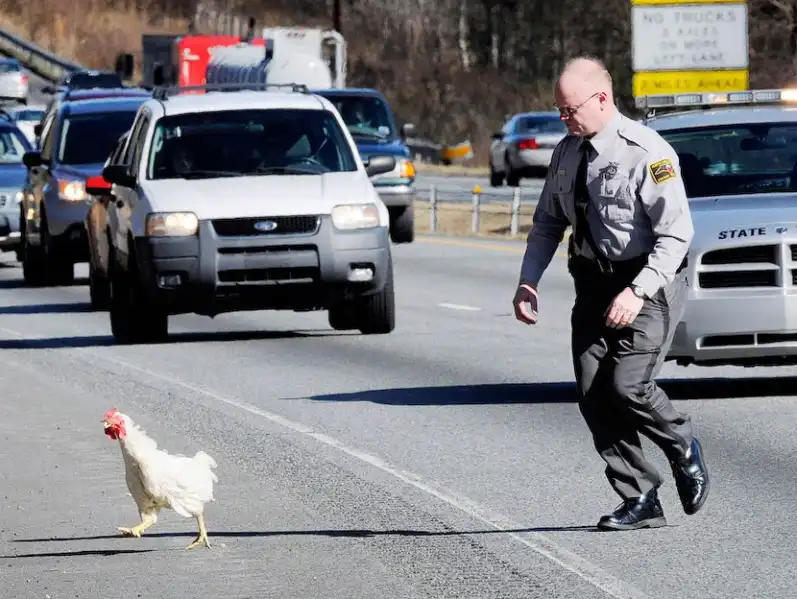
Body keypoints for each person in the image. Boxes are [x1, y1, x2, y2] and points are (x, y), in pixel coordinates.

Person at [512, 56, 709, 531]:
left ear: (601, 98)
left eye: (570, 109)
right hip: (592, 283)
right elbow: (547, 224)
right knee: (593, 391)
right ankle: (640, 496)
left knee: (627, 385)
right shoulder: (566, 153)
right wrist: (527, 281)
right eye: (560, 110)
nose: (564, 118)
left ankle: (682, 443)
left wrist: (637, 291)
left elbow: (676, 235)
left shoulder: (647, 152)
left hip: (648, 282)